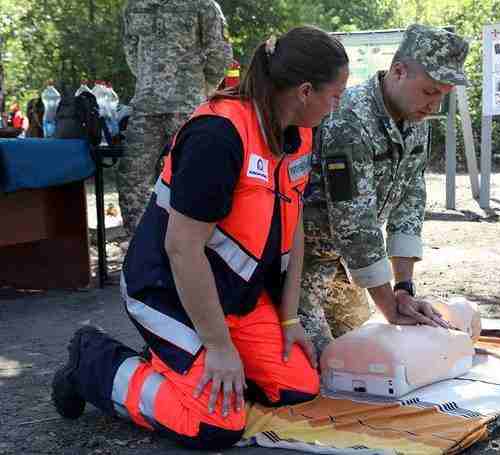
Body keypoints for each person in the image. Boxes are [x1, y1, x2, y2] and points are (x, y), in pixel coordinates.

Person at [51, 26, 349, 450]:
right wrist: (218, 346)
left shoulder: (298, 134)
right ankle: (93, 363)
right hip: (165, 291)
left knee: (299, 387)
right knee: (216, 425)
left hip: (234, 300)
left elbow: (293, 222)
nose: (335, 106)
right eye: (334, 96)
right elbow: (181, 247)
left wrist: (289, 318)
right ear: (304, 91)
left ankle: (180, 360)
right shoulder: (218, 135)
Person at [299, 24, 470, 356]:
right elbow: (355, 225)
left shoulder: (414, 120)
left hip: (347, 268)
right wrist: (389, 307)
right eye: (429, 92)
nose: (434, 106)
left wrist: (404, 289)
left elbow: (410, 202)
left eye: (442, 96)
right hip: (304, 267)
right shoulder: (348, 119)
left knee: (368, 352)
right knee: (324, 366)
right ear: (398, 71)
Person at [117, 0, 233, 236]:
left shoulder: (202, 5)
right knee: (132, 178)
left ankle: (195, 242)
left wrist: (200, 88)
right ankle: (140, 245)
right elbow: (131, 50)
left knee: (196, 175)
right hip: (145, 108)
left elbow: (220, 52)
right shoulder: (135, 7)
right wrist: (151, 82)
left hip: (188, 109)